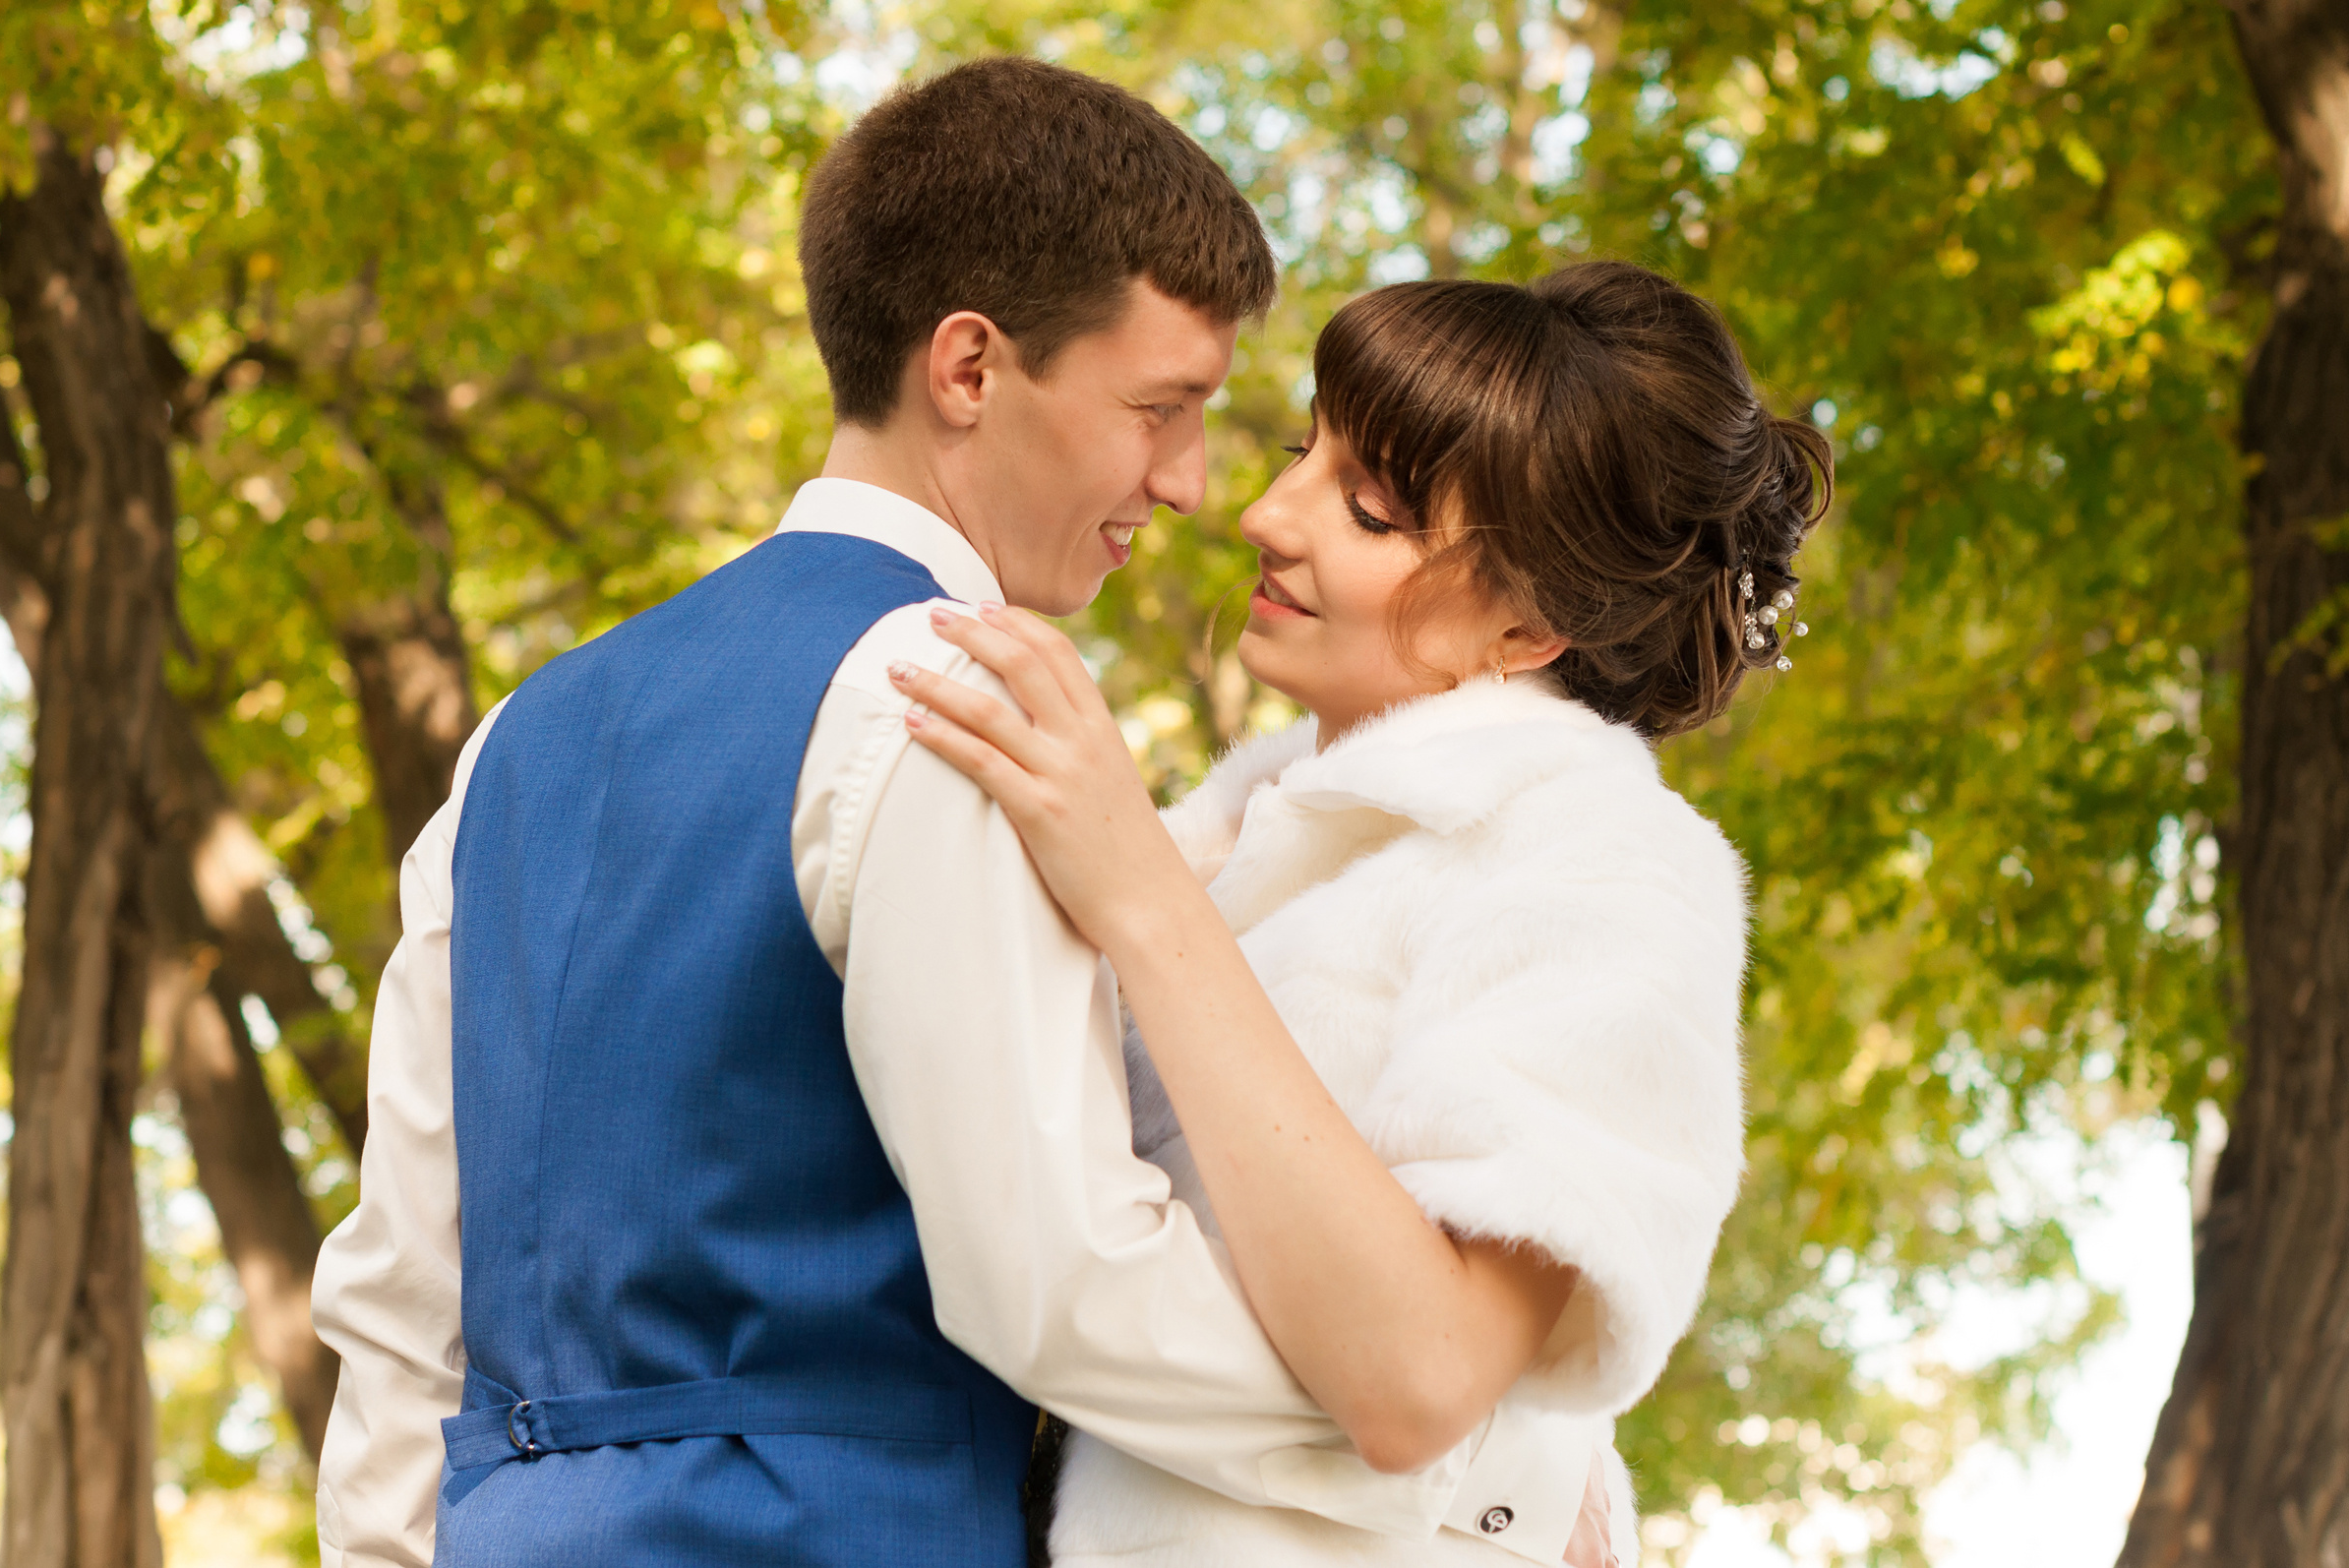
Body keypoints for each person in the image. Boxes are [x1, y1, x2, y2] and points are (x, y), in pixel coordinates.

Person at [310, 56, 1573, 1568]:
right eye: (1160, 409)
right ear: (970, 368)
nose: (1184, 485)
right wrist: (1467, 1484)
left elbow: (401, 1303)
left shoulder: (525, 731)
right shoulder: (963, 699)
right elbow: (1061, 1281)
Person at [891, 260, 1829, 1566]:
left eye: (1371, 511)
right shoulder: (1238, 835)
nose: (1268, 515)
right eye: (1299, 452)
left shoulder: (1597, 862)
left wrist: (1145, 903)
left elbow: (1420, 1374)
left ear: (1529, 625)